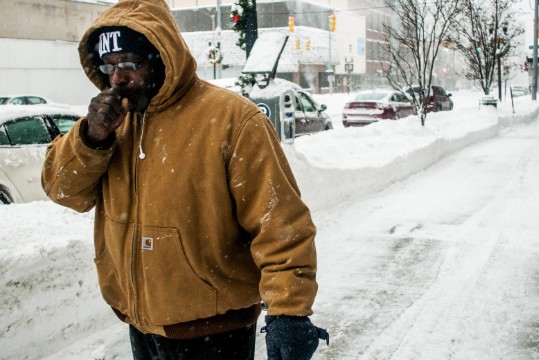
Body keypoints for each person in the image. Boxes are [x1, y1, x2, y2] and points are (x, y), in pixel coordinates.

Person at [41, 0, 326, 358]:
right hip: (142, 326)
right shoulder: (112, 125)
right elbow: (64, 191)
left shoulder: (232, 120)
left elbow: (281, 225)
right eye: (109, 65)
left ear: (161, 56)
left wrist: (289, 312)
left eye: (130, 63)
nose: (117, 78)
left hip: (216, 332)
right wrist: (91, 138)